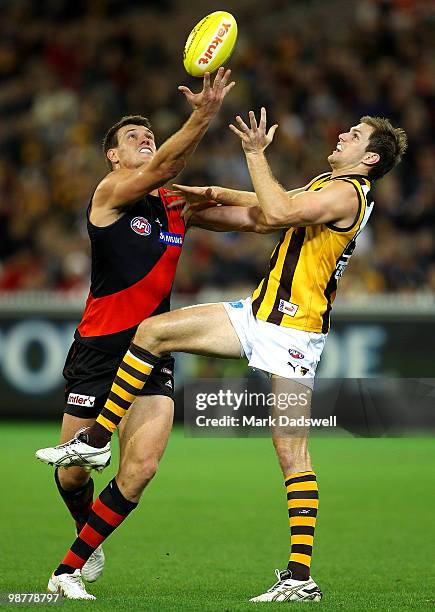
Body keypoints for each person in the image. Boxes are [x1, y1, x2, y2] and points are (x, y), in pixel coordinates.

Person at [36, 109, 407, 601]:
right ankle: (98, 441)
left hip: (293, 333)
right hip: (257, 314)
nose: (343, 135)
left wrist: (254, 153)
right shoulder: (327, 183)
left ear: (371, 158)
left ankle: (299, 578)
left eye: (355, 136)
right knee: (153, 332)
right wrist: (212, 194)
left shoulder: (346, 193)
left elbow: (274, 214)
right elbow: (268, 201)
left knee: (291, 451)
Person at [34, 67, 235, 600]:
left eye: (149, 135)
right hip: (100, 348)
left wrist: (290, 204)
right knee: (75, 475)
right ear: (113, 157)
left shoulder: (174, 205)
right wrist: (204, 113)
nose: (144, 141)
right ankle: (87, 531)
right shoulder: (110, 194)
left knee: (140, 468)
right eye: (133, 138)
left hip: (153, 352)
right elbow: (168, 162)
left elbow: (254, 217)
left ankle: (67, 571)